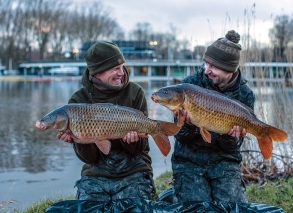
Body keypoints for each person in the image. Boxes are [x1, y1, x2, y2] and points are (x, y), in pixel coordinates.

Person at [56, 41, 155, 202]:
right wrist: (79, 140)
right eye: (115, 68)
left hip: (134, 168)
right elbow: (89, 159)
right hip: (96, 172)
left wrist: (130, 141)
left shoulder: (135, 92)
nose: (121, 73)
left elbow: (139, 150)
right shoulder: (78, 100)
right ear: (97, 72)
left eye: (122, 66)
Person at [171, 30, 255, 203]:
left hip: (224, 162)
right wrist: (188, 125)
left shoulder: (245, 94)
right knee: (196, 207)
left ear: (229, 69)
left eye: (214, 66)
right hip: (189, 161)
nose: (207, 70)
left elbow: (232, 148)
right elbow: (179, 137)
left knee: (233, 207)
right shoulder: (190, 85)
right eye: (206, 63)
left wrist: (230, 137)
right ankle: (177, 192)